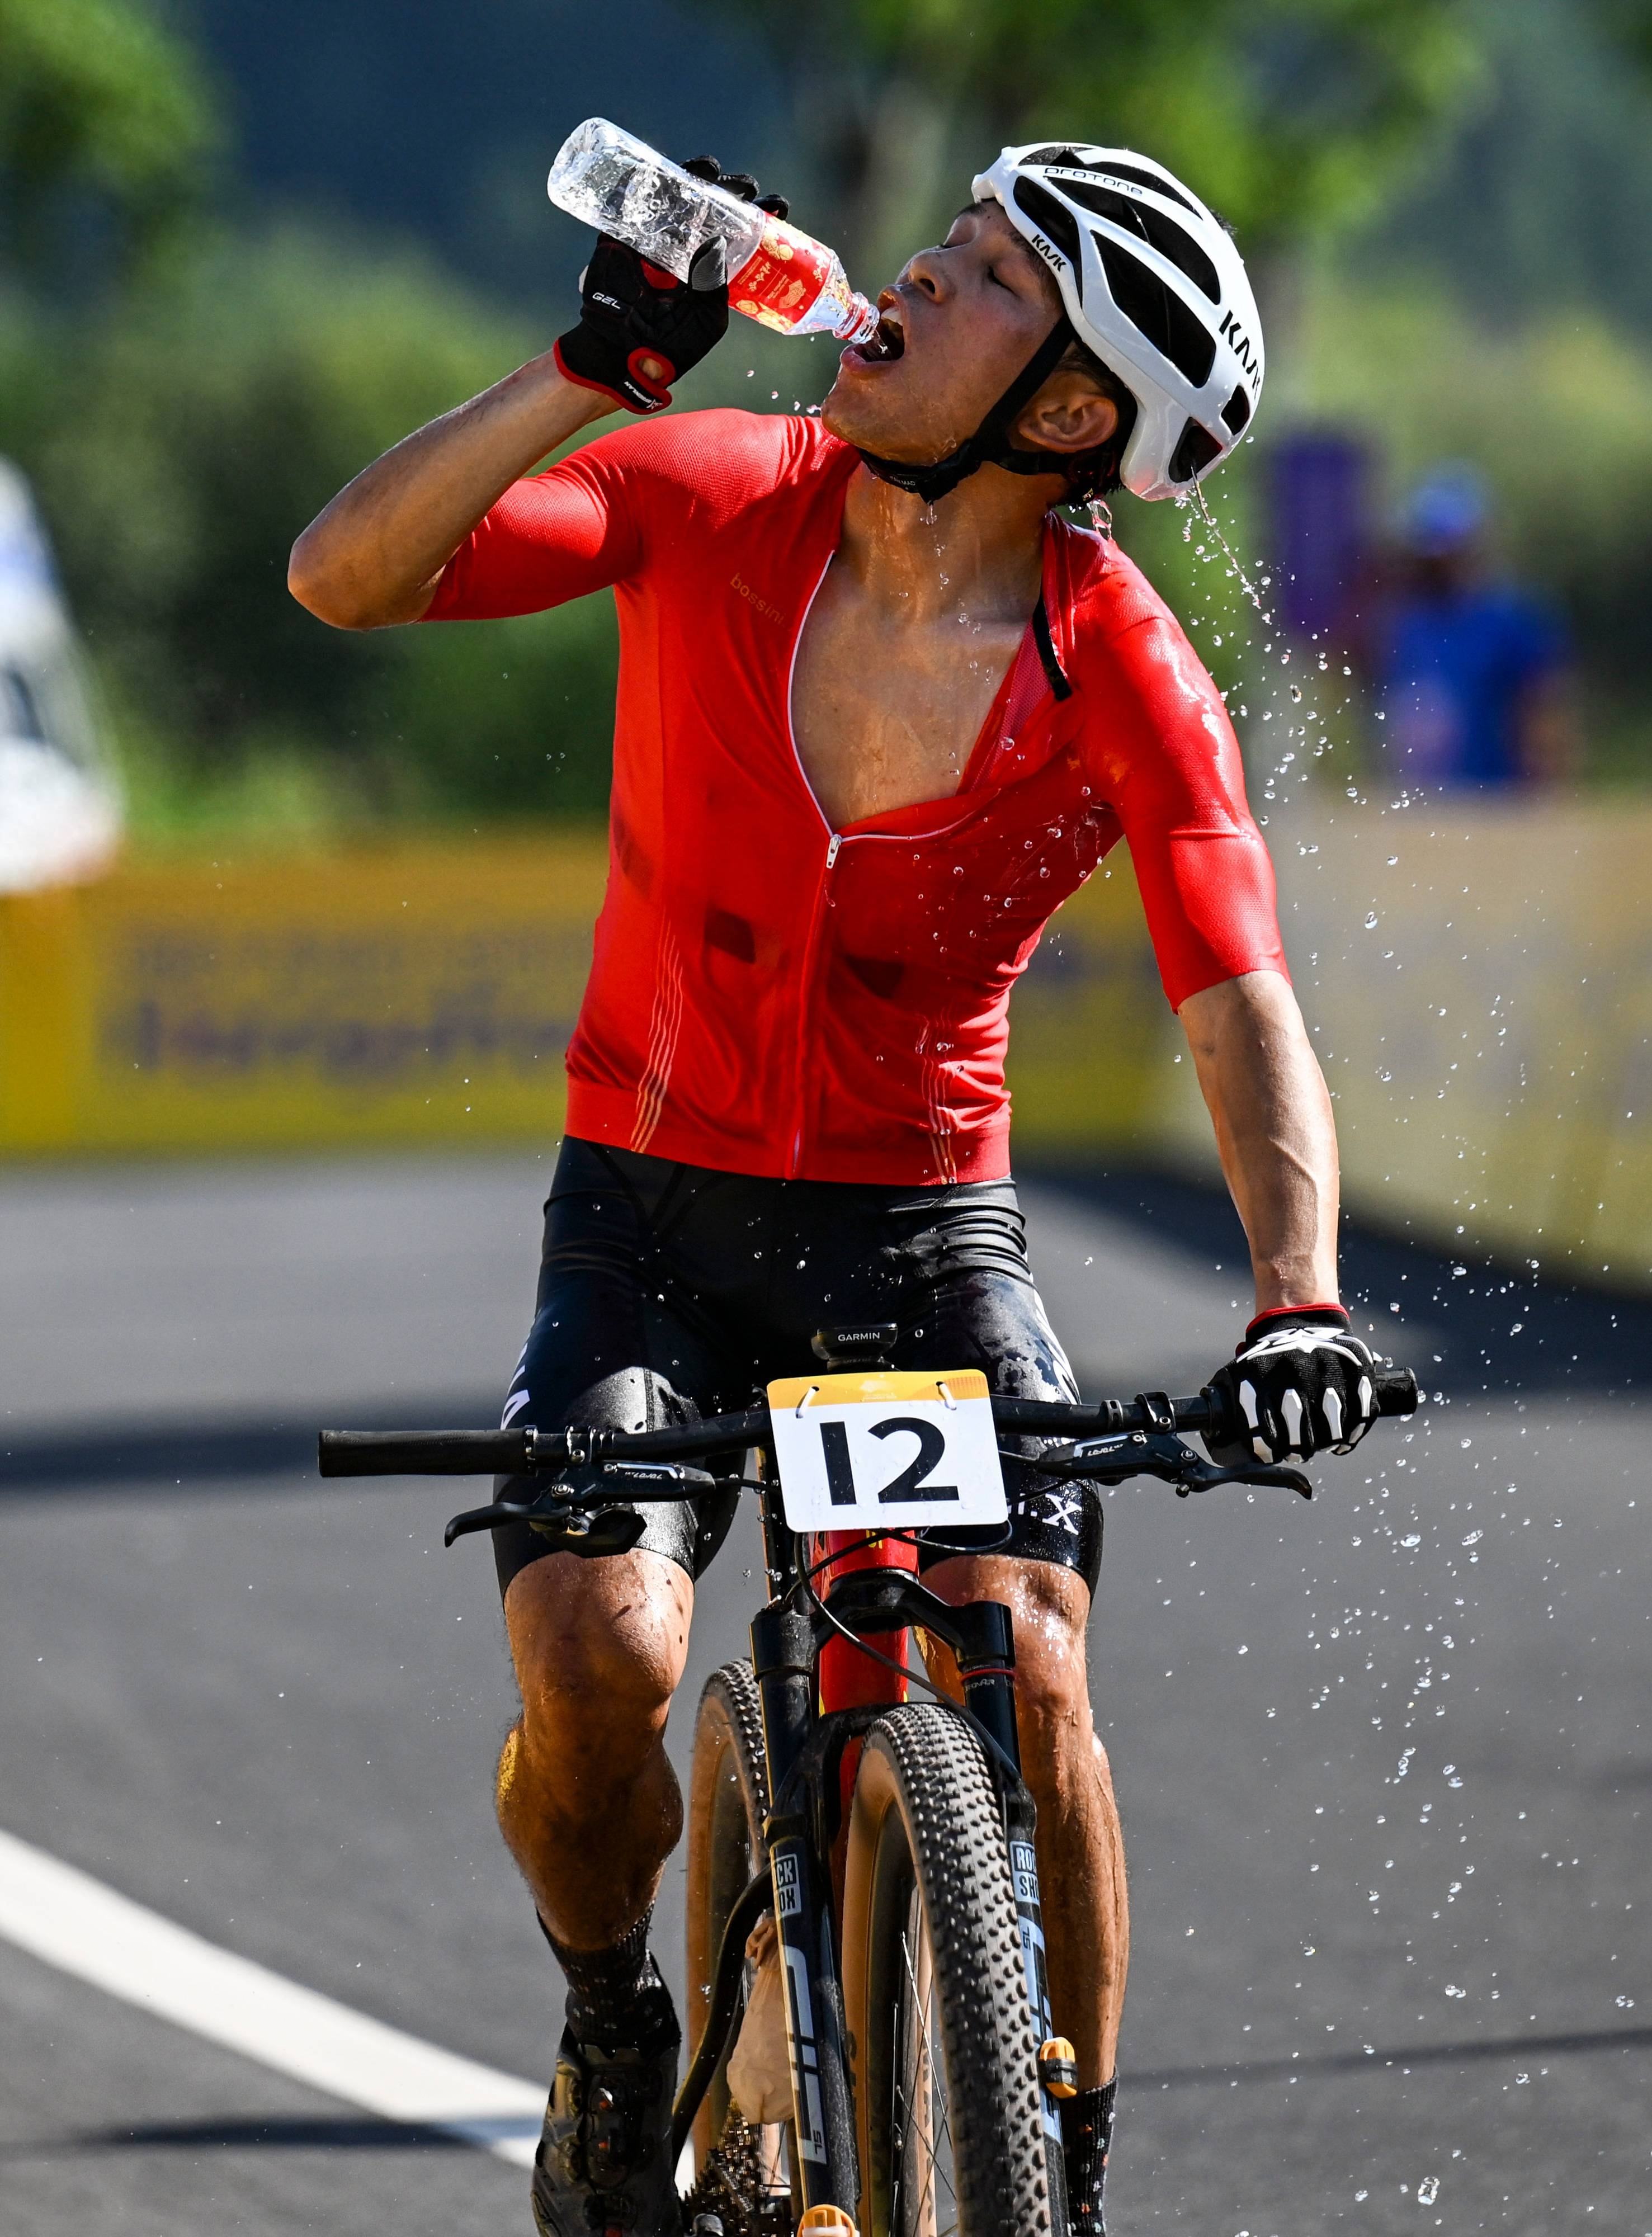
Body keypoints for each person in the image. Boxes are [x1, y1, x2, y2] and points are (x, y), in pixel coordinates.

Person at [290, 143, 1391, 2237]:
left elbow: (1236, 993)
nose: (899, 274)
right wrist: (582, 368)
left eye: (973, 275)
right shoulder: (713, 486)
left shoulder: (1115, 662)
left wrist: (1296, 1296)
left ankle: (1043, 2158)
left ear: (1060, 412)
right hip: (644, 1215)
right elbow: (348, 577)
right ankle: (615, 2020)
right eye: (944, 243)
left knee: (1034, 1670)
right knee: (603, 1664)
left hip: (918, 1232)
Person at [1373, 465, 1574, 791]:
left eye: (1450, 552)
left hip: (1493, 805)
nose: (1439, 563)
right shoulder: (1401, 622)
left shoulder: (1512, 621)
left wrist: (1545, 797)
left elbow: (1543, 713)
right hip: (1417, 808)